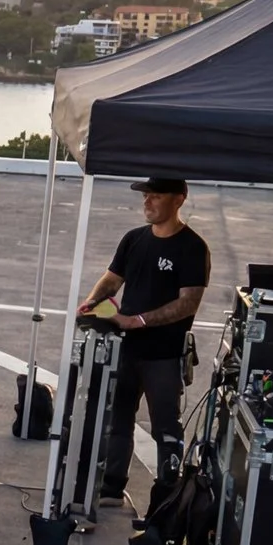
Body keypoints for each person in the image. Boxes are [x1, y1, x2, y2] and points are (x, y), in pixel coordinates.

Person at [79, 178, 211, 507]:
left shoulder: (192, 247)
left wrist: (137, 321)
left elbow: (188, 303)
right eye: (146, 195)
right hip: (124, 350)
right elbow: (111, 279)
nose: (148, 202)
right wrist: (92, 302)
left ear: (179, 199)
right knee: (118, 417)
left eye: (156, 196)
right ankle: (111, 488)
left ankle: (166, 499)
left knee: (166, 425)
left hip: (163, 355)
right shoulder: (134, 239)